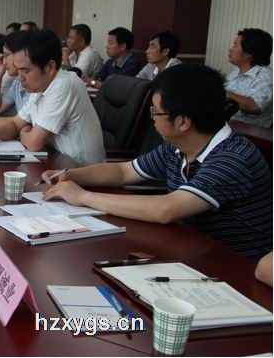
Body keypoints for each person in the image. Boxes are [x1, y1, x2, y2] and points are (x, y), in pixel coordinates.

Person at [42, 63, 272, 261]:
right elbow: (123, 171)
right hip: (190, 248)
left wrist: (83, 197)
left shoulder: (232, 158)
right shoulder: (177, 146)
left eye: (155, 112)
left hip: (236, 269)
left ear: (183, 122)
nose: (151, 118)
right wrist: (71, 175)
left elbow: (166, 209)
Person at [0, 29, 105, 166]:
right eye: (18, 70)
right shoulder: (40, 85)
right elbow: (15, 124)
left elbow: (34, 143)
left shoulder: (64, 84)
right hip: (56, 163)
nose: (20, 77)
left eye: (25, 70)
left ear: (49, 67)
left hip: (80, 170)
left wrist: (23, 132)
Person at [224, 28, 272, 127]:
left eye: (235, 45)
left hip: (248, 132)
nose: (230, 49)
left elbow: (255, 106)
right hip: (226, 126)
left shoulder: (265, 75)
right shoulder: (235, 72)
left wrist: (220, 93)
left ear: (249, 53)